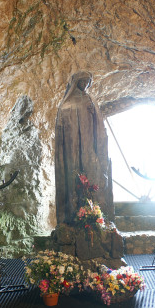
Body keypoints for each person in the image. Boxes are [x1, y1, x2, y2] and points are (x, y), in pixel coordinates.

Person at [54, 71, 113, 225]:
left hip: (88, 141)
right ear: (76, 82)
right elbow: (61, 125)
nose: (86, 84)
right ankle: (74, 212)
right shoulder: (66, 102)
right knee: (73, 172)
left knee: (91, 169)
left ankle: (95, 212)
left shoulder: (89, 99)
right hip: (72, 143)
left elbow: (98, 124)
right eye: (83, 81)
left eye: (88, 82)